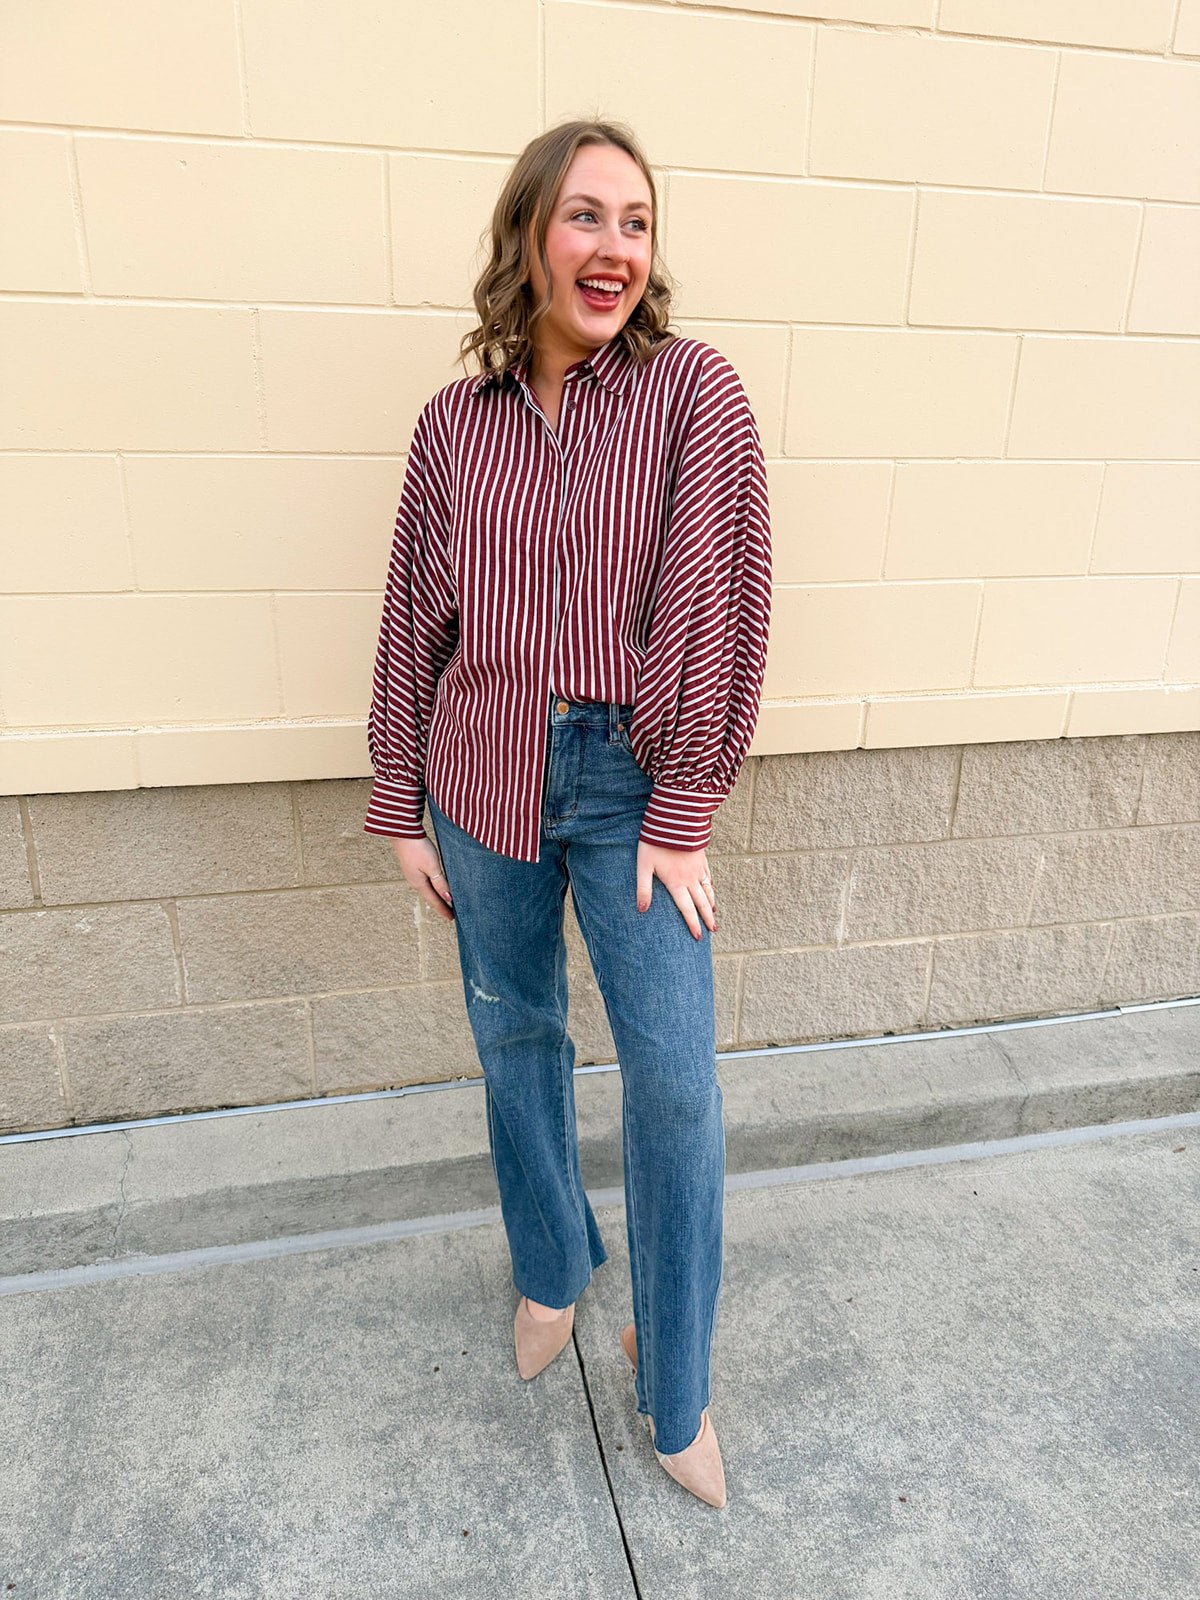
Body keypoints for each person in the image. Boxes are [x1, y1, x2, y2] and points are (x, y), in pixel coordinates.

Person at [363, 118, 772, 1509]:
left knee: (674, 1086)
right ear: (531, 234)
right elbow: (415, 613)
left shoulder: (692, 396)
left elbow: (720, 599)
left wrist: (685, 804)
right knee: (514, 1033)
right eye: (587, 216)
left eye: (637, 223)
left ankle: (676, 1385)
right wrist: (400, 800)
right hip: (476, 773)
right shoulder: (451, 425)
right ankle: (553, 1265)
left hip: (631, 790)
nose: (614, 248)